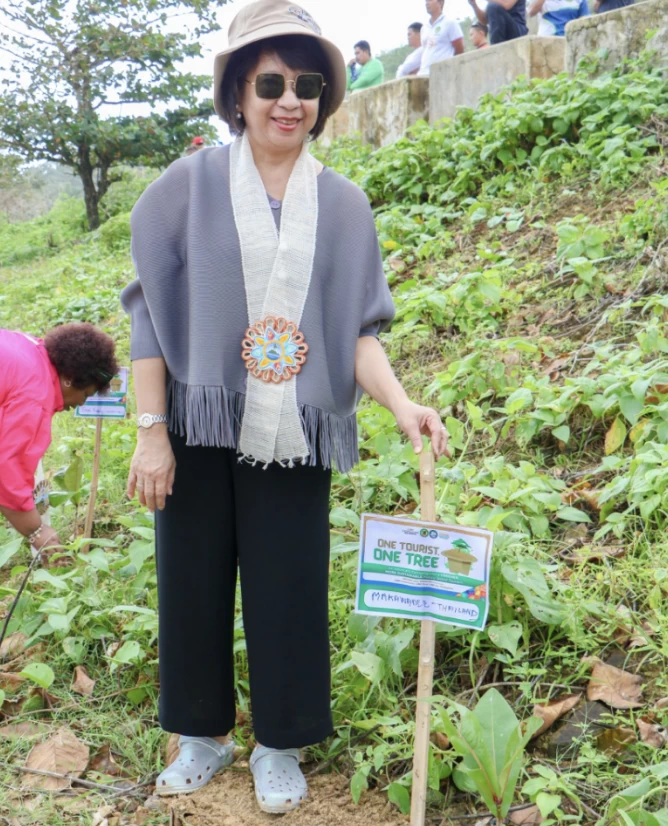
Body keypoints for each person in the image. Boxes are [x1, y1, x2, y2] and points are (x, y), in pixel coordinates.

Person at [120, 0, 449, 815]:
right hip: (198, 427)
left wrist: (404, 406)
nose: (289, 100)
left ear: (324, 99)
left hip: (295, 429)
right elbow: (149, 318)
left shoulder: (343, 209)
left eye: (306, 84)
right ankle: (201, 735)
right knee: (190, 583)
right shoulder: (185, 188)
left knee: (289, 586)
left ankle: (280, 744)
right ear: (238, 92)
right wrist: (151, 434)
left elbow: (356, 336)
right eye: (270, 82)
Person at [0, 323, 118, 560]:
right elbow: (7, 470)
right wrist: (37, 531)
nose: (82, 403)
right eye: (86, 394)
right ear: (70, 379)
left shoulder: (30, 347)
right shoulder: (35, 394)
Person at [418, 0, 465, 77]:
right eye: (426, 1)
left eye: (430, 0)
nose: (427, 3)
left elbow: (460, 49)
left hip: (442, 73)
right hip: (424, 74)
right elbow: (425, 51)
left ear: (440, 3)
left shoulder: (450, 23)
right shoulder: (424, 28)